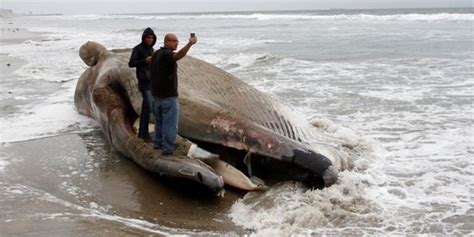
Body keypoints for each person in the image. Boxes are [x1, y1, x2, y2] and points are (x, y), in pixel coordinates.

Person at [150, 33, 197, 155]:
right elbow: (177, 56)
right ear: (166, 42)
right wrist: (190, 44)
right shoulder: (167, 54)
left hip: (156, 96)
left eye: (177, 41)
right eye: (174, 41)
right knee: (170, 125)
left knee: (159, 123)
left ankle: (157, 144)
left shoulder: (156, 54)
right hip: (168, 97)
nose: (177, 43)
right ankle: (168, 149)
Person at [128, 27, 156, 142]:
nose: (150, 40)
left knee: (146, 108)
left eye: (152, 38)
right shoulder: (138, 49)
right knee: (149, 107)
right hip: (144, 82)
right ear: (144, 38)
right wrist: (144, 61)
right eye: (148, 37)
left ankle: (142, 134)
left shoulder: (152, 50)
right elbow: (131, 63)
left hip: (152, 82)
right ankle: (144, 134)